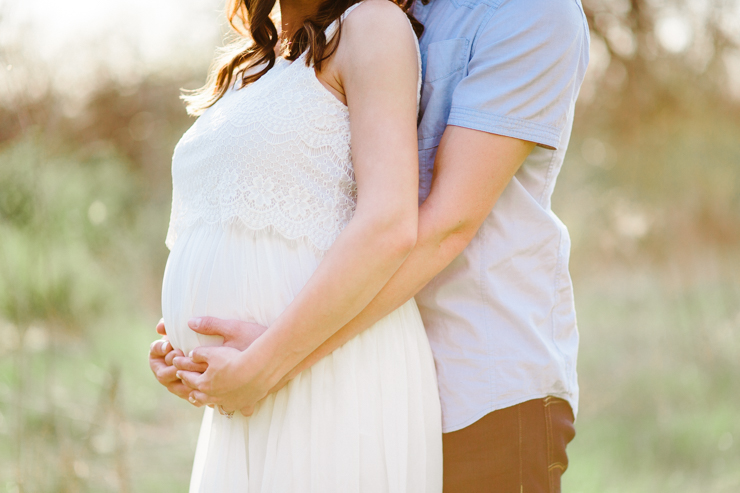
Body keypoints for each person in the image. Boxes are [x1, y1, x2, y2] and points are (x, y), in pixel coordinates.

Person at [151, 0, 590, 490]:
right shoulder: (318, 30)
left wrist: (271, 357)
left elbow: (443, 225)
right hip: (313, 371)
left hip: (479, 386)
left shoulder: (530, 13)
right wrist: (196, 350)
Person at [152, 0, 443, 490]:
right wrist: (182, 349)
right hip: (243, 397)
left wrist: (260, 364)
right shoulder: (255, 61)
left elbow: (389, 222)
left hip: (330, 375)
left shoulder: (371, 26)